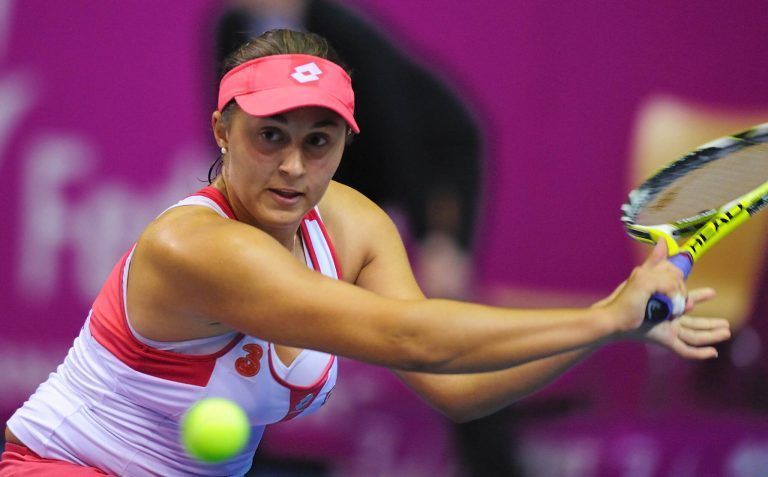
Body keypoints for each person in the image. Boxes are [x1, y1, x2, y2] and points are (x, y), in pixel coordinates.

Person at [1, 29, 730, 477]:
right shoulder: (197, 246)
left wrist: (619, 326)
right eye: (270, 135)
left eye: (318, 140)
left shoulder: (351, 225)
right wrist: (601, 317)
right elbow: (411, 337)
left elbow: (456, 387)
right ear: (221, 131)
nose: (293, 166)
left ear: (346, 145)